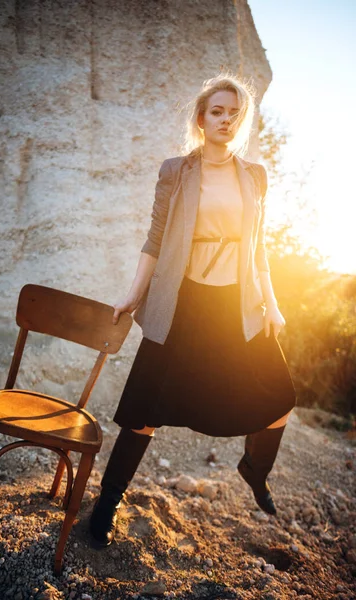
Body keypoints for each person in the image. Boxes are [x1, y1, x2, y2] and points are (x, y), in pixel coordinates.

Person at [88, 72, 297, 550]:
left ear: (240, 122)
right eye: (217, 111)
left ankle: (255, 470)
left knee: (280, 397)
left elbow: (258, 249)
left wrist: (274, 305)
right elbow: (155, 240)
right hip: (181, 302)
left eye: (234, 113)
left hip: (235, 305)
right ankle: (107, 503)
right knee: (143, 412)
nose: (225, 120)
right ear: (201, 119)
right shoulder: (175, 170)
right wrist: (132, 295)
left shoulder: (254, 176)